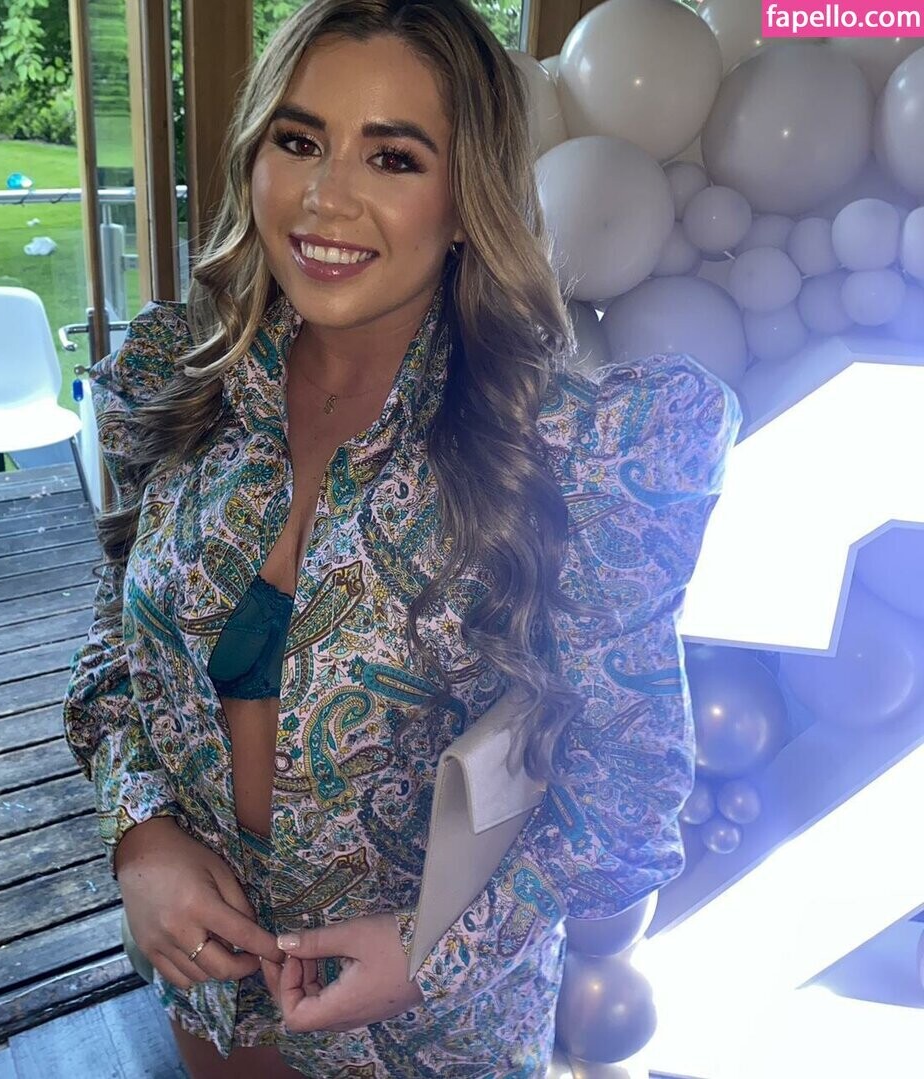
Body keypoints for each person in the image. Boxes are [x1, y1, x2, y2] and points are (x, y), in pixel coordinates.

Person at [61, 1, 742, 1076]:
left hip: (427, 1034)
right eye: (300, 141)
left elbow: (630, 786)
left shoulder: (570, 454)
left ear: (468, 200)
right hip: (210, 991)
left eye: (393, 156)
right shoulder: (179, 388)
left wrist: (437, 947)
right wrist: (141, 832)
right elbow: (115, 653)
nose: (325, 197)